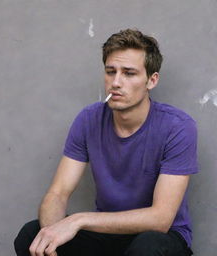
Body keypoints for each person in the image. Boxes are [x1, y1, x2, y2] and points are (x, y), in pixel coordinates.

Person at [14, 29, 199, 256]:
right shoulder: (88, 119)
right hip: (107, 235)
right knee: (32, 234)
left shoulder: (178, 127)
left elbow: (160, 219)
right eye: (110, 72)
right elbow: (58, 193)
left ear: (152, 80)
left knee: (147, 247)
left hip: (161, 238)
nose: (116, 82)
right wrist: (53, 234)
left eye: (129, 73)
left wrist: (78, 220)